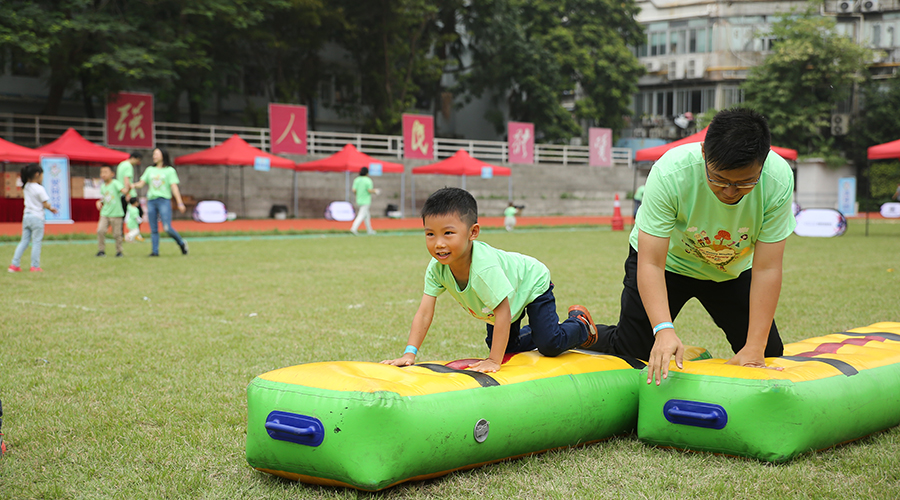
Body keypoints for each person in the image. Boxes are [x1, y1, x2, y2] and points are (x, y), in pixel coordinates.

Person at [591, 108, 796, 385]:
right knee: (633, 352)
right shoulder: (671, 172)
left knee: (768, 353)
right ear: (703, 152)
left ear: (763, 163)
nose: (730, 191)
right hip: (668, 265)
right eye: (719, 179)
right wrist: (663, 330)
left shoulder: (778, 179)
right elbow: (651, 262)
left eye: (745, 182)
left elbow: (767, 268)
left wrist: (755, 347)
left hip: (731, 271)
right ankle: (585, 330)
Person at [381, 187, 599, 373]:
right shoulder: (437, 268)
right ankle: (543, 328)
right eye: (430, 234)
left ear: (473, 232)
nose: (438, 243)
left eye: (448, 233)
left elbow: (503, 312)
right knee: (508, 349)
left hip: (530, 282)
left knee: (550, 344)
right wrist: (409, 354)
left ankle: (579, 323)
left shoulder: (484, 269)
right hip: (506, 298)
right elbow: (424, 312)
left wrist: (494, 361)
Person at [130, 148, 188, 256]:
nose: (154, 156)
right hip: (151, 201)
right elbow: (141, 183)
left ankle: (181, 243)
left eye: (156, 154)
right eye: (153, 154)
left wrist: (180, 203)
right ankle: (155, 251)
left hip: (164, 201)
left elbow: (174, 187)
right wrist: (133, 185)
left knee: (167, 228)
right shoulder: (149, 170)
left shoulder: (169, 170)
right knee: (153, 229)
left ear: (163, 155)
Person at [8, 164, 58, 272]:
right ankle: (35, 266)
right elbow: (45, 203)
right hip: (37, 217)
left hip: (26, 216)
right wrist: (51, 208)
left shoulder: (26, 186)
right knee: (36, 242)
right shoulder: (40, 188)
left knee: (24, 242)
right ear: (37, 174)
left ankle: (14, 264)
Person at [95, 165, 126, 257]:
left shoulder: (115, 183)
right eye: (102, 172)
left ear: (112, 174)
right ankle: (101, 250)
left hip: (116, 213)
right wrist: (99, 202)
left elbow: (123, 190)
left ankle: (119, 251)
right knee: (100, 230)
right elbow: (104, 198)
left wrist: (127, 188)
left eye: (106, 172)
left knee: (117, 234)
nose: (103, 174)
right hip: (105, 213)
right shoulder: (103, 186)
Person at [350, 167, 377, 235]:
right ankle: (353, 228)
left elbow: (354, 190)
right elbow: (369, 190)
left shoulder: (356, 180)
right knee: (361, 215)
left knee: (367, 216)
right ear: (367, 173)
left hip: (359, 199)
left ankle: (369, 230)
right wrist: (375, 191)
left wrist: (358, 194)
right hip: (366, 200)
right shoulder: (368, 180)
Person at [116, 151, 142, 219]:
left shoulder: (121, 164)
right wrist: (127, 193)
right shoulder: (128, 166)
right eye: (138, 160)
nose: (138, 162)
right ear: (133, 158)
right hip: (129, 193)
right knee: (139, 213)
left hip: (121, 192)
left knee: (122, 214)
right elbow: (126, 180)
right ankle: (133, 226)